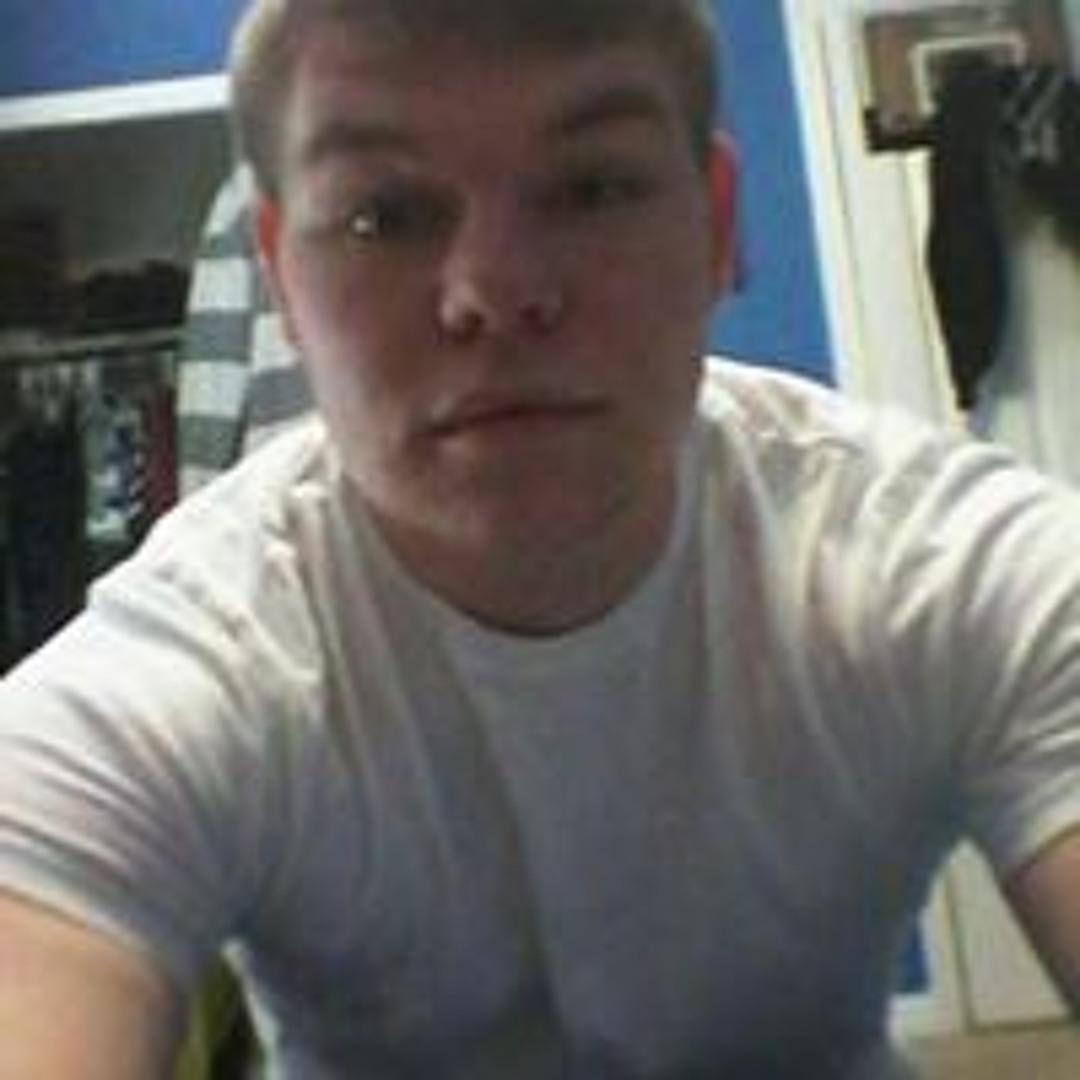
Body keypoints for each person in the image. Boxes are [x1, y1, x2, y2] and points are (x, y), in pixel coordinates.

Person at [1, 1, 1079, 1076]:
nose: (495, 291)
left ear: (715, 228)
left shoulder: (944, 566)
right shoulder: (190, 662)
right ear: (282, 278)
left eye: (594, 188)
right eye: (383, 214)